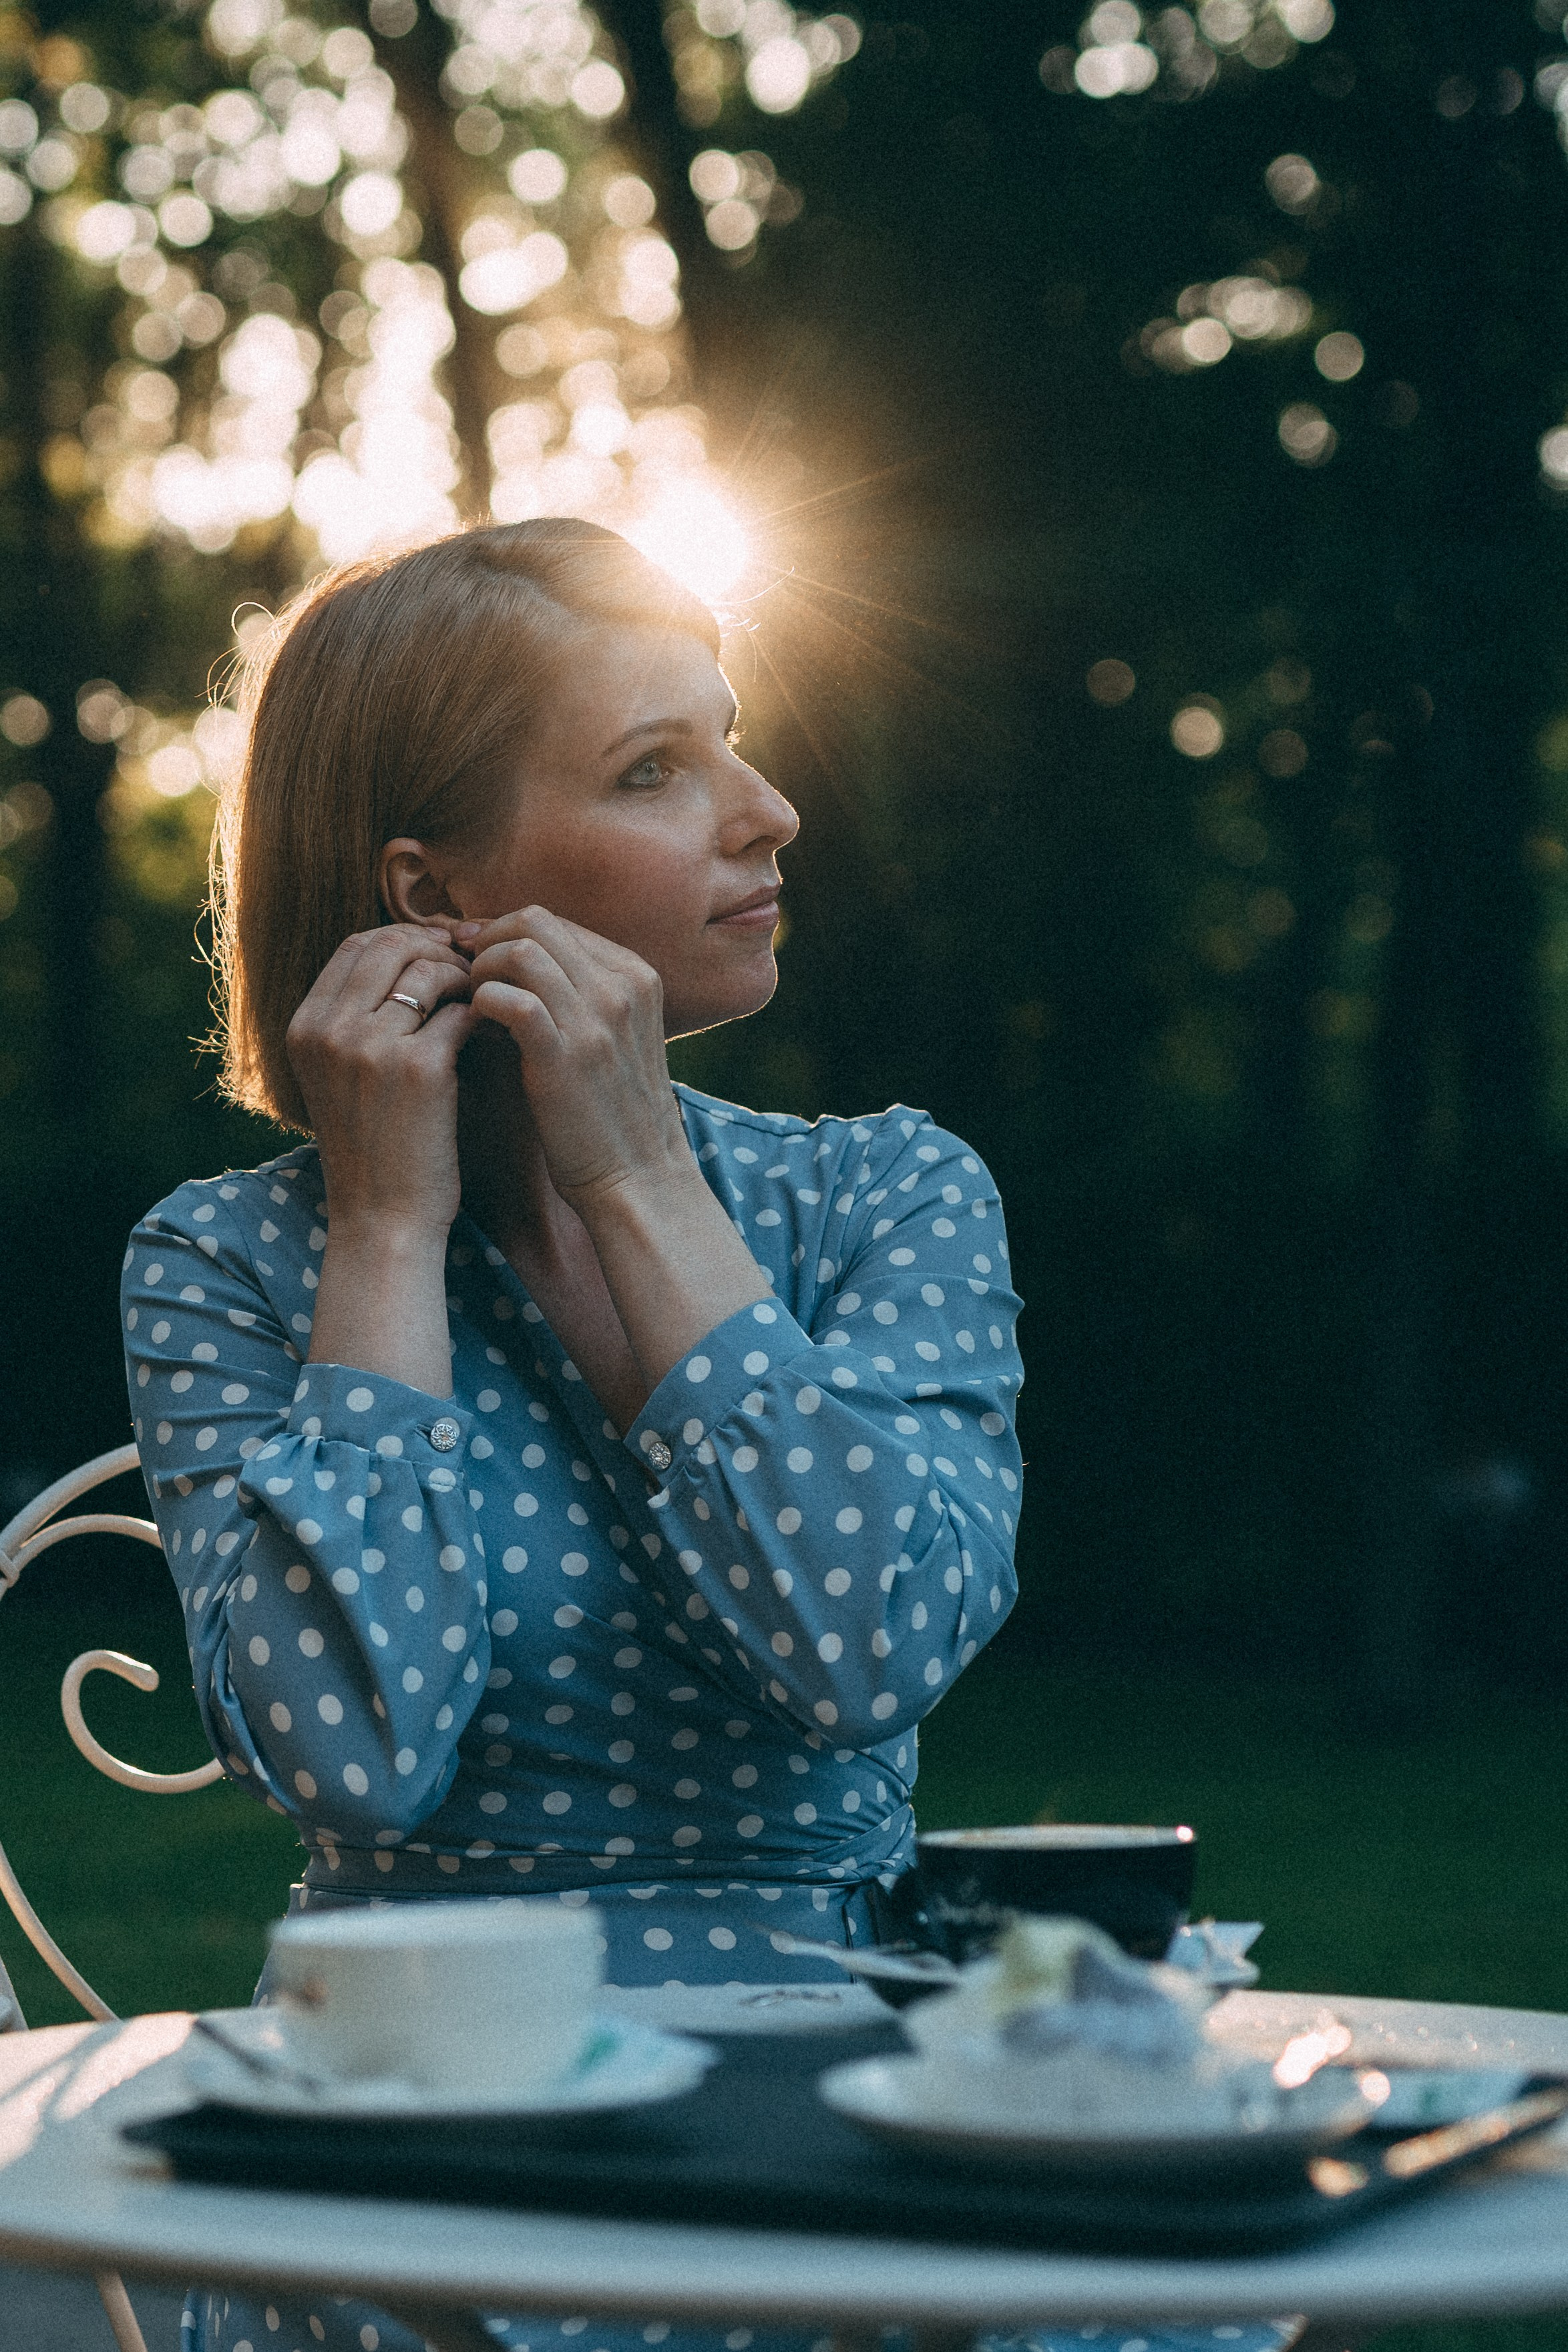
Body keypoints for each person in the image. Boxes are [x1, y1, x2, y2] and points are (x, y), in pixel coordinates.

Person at [124, 518, 1036, 2352]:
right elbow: (354, 1758)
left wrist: (631, 1173)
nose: (766, 810)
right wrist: (386, 1231)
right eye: (653, 769)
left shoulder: (883, 1193)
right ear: (429, 893)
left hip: (852, 2112)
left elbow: (862, 1648)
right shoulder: (231, 1259)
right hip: (423, 2124)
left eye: (732, 740)